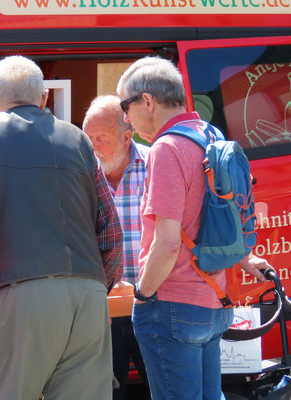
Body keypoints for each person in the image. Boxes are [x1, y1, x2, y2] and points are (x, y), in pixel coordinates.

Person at [0, 55, 123, 399]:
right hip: (89, 294)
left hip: (21, 293)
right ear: (44, 98)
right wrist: (92, 287)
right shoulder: (78, 140)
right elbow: (111, 232)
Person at [117, 56, 271, 400]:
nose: (125, 118)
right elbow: (226, 216)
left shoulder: (166, 148)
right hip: (215, 300)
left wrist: (143, 294)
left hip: (172, 303)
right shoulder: (210, 134)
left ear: (147, 101)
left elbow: (168, 243)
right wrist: (245, 258)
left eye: (126, 106)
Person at [83, 94, 150, 400]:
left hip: (152, 305)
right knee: (107, 394)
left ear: (126, 137)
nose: (92, 147)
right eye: (87, 139)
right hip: (102, 311)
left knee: (160, 390)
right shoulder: (79, 177)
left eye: (101, 138)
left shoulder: (155, 166)